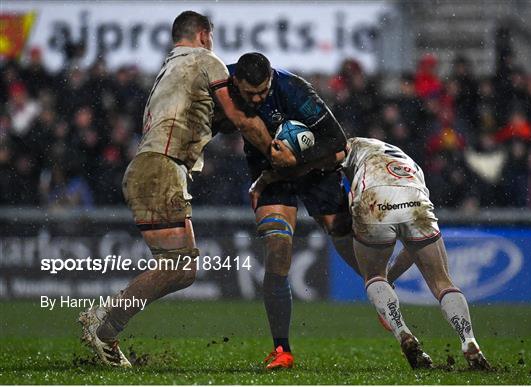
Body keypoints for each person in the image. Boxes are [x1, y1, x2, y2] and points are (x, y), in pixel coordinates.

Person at [78, 11, 277, 367]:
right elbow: (239, 118)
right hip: (160, 168)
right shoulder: (206, 60)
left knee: (182, 268)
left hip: (155, 166)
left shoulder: (170, 68)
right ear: (203, 35)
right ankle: (104, 322)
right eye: (211, 37)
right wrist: (275, 152)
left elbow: (213, 120)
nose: (212, 44)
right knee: (179, 267)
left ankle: (105, 322)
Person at [250, 137, 491, 370]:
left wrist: (268, 177)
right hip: (414, 198)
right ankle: (469, 341)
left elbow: (315, 163)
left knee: (373, 276)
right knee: (442, 282)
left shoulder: (349, 144)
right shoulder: (409, 164)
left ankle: (403, 333)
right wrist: (392, 278)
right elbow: (410, 249)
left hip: (374, 198)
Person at [219, 53, 361, 369]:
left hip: (315, 166)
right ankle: (281, 349)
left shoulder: (295, 89)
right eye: (250, 93)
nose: (256, 98)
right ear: (237, 82)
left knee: (339, 229)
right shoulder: (220, 81)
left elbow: (337, 141)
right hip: (267, 168)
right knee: (278, 247)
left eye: (263, 91)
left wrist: (297, 162)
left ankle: (378, 287)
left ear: (271, 78)